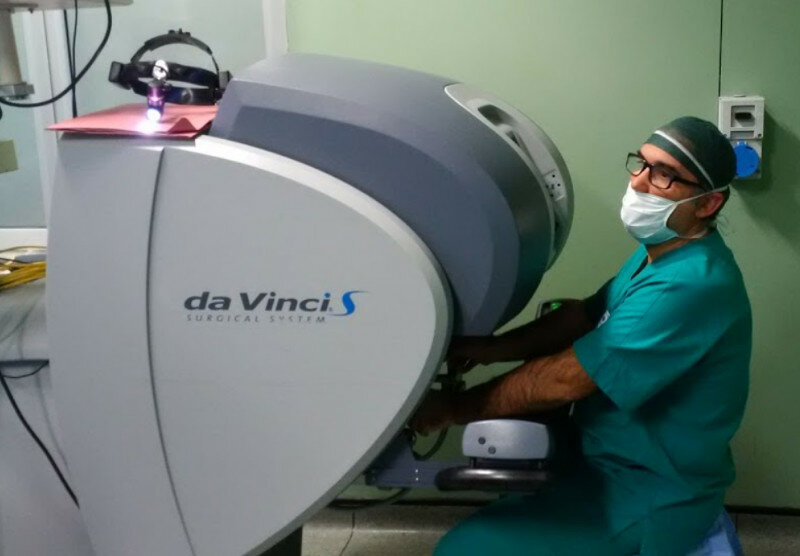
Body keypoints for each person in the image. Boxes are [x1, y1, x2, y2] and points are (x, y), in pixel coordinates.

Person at [412, 116, 752, 555]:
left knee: (462, 551)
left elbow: (567, 379)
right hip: (595, 459)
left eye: (664, 174)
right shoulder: (660, 254)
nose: (639, 181)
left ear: (708, 203)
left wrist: (453, 408)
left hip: (647, 492)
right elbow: (585, 315)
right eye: (641, 163)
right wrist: (490, 348)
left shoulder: (689, 284)